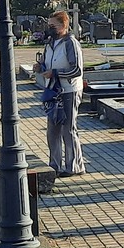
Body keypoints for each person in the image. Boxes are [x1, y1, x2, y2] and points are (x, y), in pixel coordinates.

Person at [38, 10, 86, 176]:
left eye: (53, 25)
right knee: (53, 129)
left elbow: (77, 69)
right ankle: (54, 165)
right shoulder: (49, 44)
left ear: (63, 26)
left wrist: (56, 73)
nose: (50, 28)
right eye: (49, 25)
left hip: (69, 90)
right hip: (53, 90)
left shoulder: (70, 43)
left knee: (68, 129)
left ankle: (73, 166)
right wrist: (40, 67)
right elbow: (45, 62)